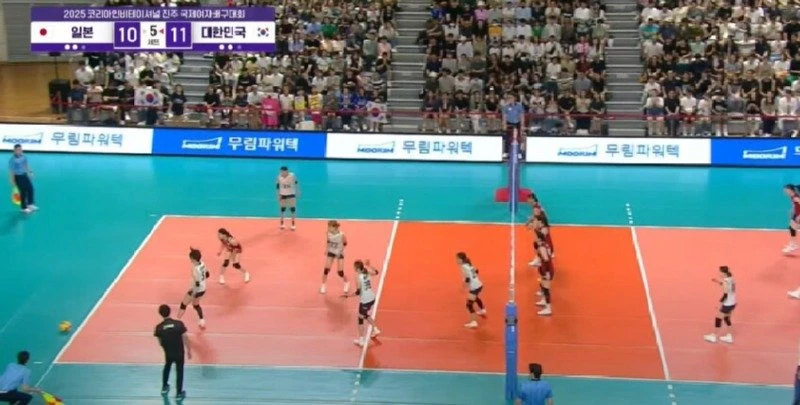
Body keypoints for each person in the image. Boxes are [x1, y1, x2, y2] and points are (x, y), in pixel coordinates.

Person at [154, 304, 191, 400]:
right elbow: (185, 337)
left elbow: (160, 342)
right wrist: (189, 350)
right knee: (180, 371)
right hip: (179, 353)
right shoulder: (179, 324)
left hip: (169, 353)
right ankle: (179, 394)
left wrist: (166, 348)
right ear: (170, 311)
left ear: (160, 314)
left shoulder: (159, 327)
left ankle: (164, 386)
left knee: (167, 367)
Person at [343, 259, 381, 347]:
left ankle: (361, 340)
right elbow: (376, 272)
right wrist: (369, 265)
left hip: (365, 300)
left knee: (360, 318)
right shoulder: (366, 271)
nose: (353, 269)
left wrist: (348, 296)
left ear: (357, 269)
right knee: (364, 315)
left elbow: (358, 292)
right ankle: (375, 329)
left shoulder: (357, 276)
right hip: (372, 298)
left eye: (354, 267)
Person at [177, 248, 209, 328]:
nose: (190, 260)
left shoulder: (195, 269)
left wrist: (193, 292)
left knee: (183, 304)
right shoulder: (202, 263)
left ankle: (176, 322)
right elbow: (208, 274)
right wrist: (202, 279)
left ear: (193, 259)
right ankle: (202, 321)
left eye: (190, 258)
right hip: (203, 289)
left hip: (196, 290)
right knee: (195, 305)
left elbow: (197, 284)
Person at [704, 266, 736, 344]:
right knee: (726, 318)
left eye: (720, 272)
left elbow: (725, 295)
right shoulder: (731, 279)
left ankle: (713, 336)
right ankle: (729, 337)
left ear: (723, 273)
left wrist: (720, 304)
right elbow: (728, 288)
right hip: (733, 303)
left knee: (718, 318)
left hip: (727, 304)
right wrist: (717, 282)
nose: (719, 273)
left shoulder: (726, 282)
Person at [457, 252, 486, 328]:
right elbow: (476, 271)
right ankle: (482, 310)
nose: (456, 260)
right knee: (475, 297)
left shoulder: (463, 267)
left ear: (461, 259)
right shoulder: (469, 264)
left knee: (469, 304)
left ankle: (474, 322)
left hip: (474, 287)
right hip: (479, 284)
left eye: (457, 259)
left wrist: (464, 287)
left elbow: (468, 279)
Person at [320, 220, 350, 294]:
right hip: (331, 251)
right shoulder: (328, 233)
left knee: (340, 272)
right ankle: (323, 285)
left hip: (339, 253)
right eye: (328, 227)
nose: (328, 228)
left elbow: (345, 243)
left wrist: (340, 251)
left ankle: (347, 282)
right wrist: (327, 249)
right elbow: (328, 241)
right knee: (326, 269)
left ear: (335, 227)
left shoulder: (342, 235)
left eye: (330, 227)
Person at [7, 144, 37, 214]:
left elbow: (26, 165)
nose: (19, 151)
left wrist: (30, 172)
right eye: (17, 150)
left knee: (30, 189)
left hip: (24, 175)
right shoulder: (12, 160)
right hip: (18, 177)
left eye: (20, 149)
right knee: (23, 192)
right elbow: (11, 171)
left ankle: (30, 204)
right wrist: (12, 181)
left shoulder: (24, 157)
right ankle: (23, 208)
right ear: (14, 151)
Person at [276, 166, 299, 230]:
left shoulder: (292, 175)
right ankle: (282, 223)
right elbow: (277, 186)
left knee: (292, 209)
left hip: (291, 194)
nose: (281, 173)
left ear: (286, 171)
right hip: (282, 194)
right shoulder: (279, 176)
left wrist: (297, 191)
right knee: (282, 209)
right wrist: (278, 195)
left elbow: (296, 183)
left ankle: (293, 224)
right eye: (281, 171)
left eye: (282, 171)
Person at [782, 184, 800, 255]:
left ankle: (793, 244)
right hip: (797, 214)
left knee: (792, 227)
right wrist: (792, 211)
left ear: (790, 190)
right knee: (791, 227)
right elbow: (795, 205)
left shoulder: (796, 197)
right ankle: (793, 244)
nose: (784, 191)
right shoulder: (792, 196)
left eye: (786, 190)